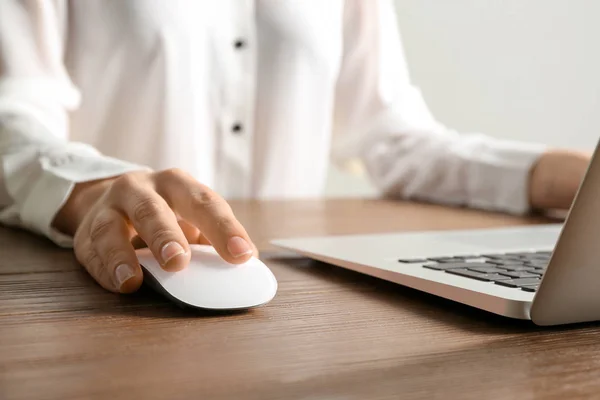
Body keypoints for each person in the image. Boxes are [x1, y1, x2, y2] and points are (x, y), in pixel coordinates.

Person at [0, 1, 589, 294]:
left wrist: (568, 173)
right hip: (111, 282)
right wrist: (94, 186)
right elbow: (12, 112)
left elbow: (394, 136)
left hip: (293, 289)